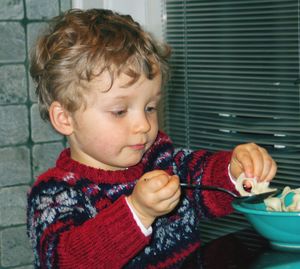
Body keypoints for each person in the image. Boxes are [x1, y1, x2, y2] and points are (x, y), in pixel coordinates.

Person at [27, 8, 277, 269]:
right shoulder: (53, 195)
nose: (144, 125)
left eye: (150, 108)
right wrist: (137, 212)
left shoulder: (161, 160)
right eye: (120, 111)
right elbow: (65, 261)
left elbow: (206, 179)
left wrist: (237, 170)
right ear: (65, 117)